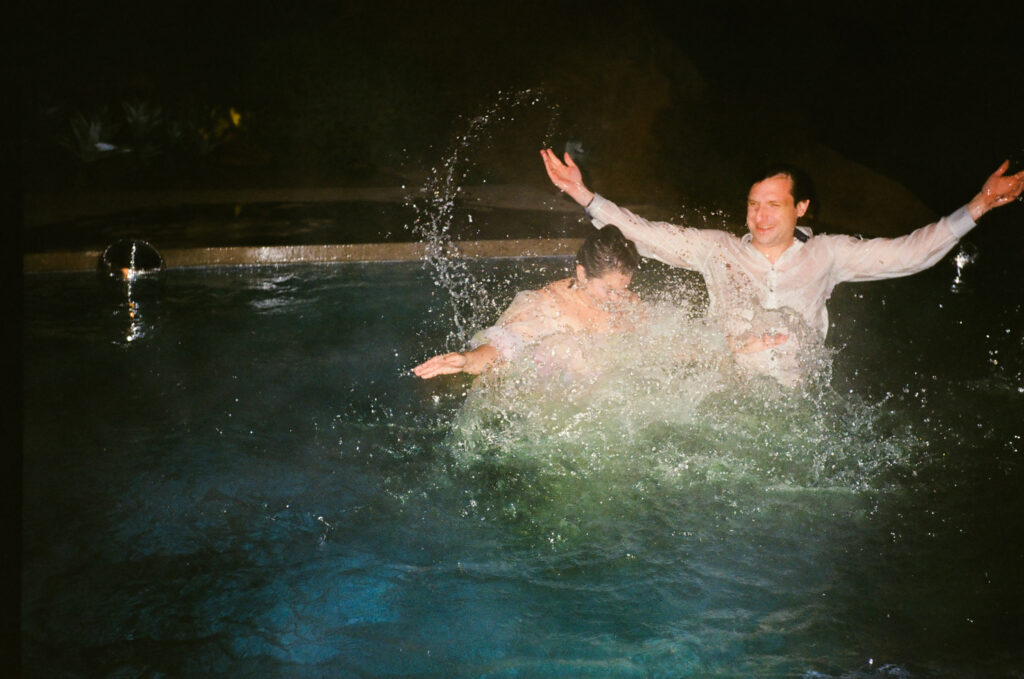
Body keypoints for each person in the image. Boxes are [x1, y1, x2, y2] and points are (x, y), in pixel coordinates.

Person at [541, 148, 1024, 382]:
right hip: (727, 388)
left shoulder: (828, 254)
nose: (760, 215)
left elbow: (909, 252)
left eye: (774, 204)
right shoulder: (718, 249)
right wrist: (582, 194)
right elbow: (642, 232)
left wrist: (978, 205)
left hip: (796, 396)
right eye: (753, 203)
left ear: (801, 209)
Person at [413, 226, 642, 379]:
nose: (618, 298)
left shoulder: (627, 302)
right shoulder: (544, 305)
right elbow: (503, 346)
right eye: (609, 290)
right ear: (582, 274)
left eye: (623, 289)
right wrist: (467, 360)